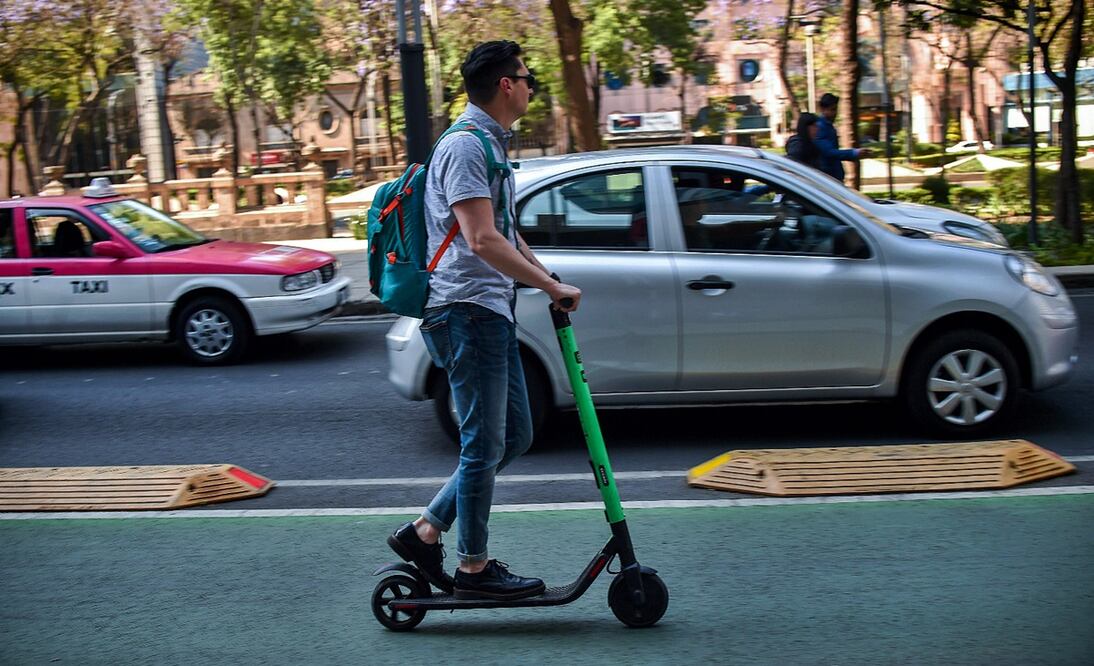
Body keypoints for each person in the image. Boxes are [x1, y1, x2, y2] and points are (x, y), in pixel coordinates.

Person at [386, 41, 582, 601]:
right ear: (505, 85)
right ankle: (473, 570)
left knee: (513, 435)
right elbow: (480, 238)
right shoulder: (467, 147)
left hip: (488, 310)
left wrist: (550, 279)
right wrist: (547, 285)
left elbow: (506, 235)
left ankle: (425, 531)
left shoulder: (490, 147)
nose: (530, 86)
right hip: (465, 312)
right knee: (481, 445)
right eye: (528, 77)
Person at [815, 93, 870, 182]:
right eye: (832, 110)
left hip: (832, 176)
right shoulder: (820, 127)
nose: (835, 113)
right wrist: (854, 153)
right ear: (823, 109)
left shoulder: (827, 126)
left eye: (835, 109)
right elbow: (828, 152)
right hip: (828, 176)